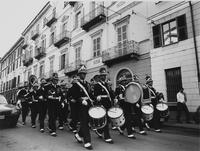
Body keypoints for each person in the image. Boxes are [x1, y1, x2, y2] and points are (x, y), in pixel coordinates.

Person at [70, 65, 93, 150]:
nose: (84, 75)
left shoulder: (87, 84)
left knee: (87, 122)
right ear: (79, 74)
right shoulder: (76, 84)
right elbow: (74, 94)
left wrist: (93, 100)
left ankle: (79, 134)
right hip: (80, 106)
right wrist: (80, 100)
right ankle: (87, 142)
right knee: (84, 123)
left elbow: (90, 94)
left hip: (88, 105)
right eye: (82, 74)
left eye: (84, 73)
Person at [93, 67, 114, 144]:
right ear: (100, 76)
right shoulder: (97, 85)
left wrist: (114, 98)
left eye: (105, 75)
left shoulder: (107, 84)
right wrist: (97, 97)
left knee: (107, 120)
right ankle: (107, 137)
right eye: (102, 75)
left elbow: (111, 93)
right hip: (102, 104)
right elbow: (95, 95)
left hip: (108, 104)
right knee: (105, 120)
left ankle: (99, 130)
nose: (104, 77)